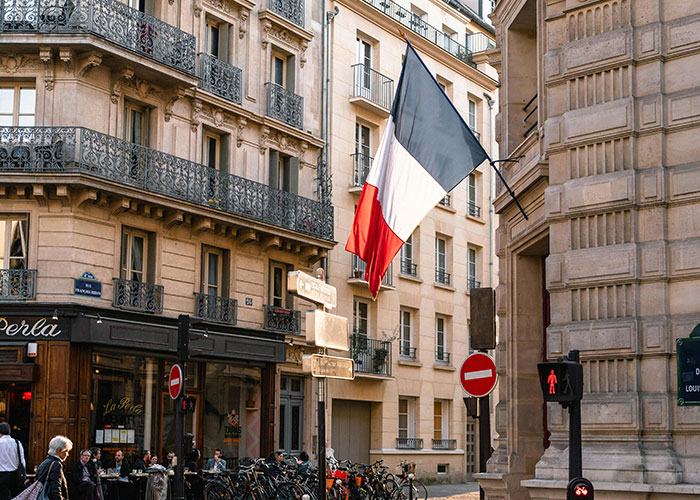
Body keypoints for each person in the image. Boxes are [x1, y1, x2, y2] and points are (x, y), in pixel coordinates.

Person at [35, 435, 72, 500]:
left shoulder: (45, 462)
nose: (67, 454)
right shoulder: (56, 464)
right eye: (66, 451)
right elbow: (56, 488)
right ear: (59, 451)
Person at [0, 422, 25, 500]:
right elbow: (22, 460)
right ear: (9, 431)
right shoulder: (17, 443)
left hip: (2, 475)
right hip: (15, 475)